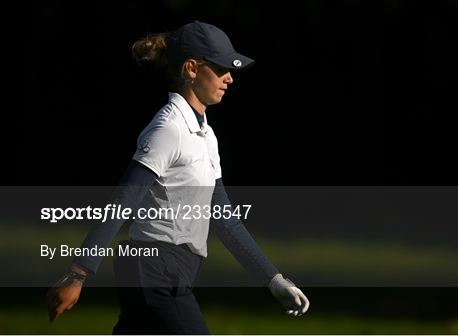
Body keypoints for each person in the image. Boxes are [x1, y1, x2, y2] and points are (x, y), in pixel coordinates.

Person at [45, 20, 310, 334]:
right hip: (156, 270)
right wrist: (78, 274)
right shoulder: (168, 129)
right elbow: (123, 201)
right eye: (222, 68)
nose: (230, 78)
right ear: (192, 69)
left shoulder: (205, 135)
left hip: (168, 271)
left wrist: (273, 279)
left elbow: (225, 219)